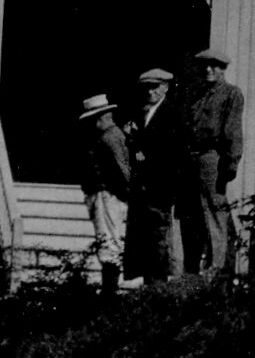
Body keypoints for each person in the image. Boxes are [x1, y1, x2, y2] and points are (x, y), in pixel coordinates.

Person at [177, 49, 245, 277]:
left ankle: (217, 271)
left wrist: (230, 164)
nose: (207, 70)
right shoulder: (196, 94)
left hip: (212, 160)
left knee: (214, 214)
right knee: (190, 215)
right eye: (204, 66)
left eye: (214, 65)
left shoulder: (230, 94)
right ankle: (191, 272)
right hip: (190, 160)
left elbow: (233, 132)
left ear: (223, 68)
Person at [123, 68, 185, 280]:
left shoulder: (172, 114)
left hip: (160, 186)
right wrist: (133, 140)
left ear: (166, 88)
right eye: (147, 87)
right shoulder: (142, 113)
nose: (151, 92)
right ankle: (149, 284)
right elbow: (137, 146)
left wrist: (140, 148)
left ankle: (158, 285)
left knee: (160, 239)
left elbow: (170, 152)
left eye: (155, 87)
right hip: (142, 188)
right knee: (144, 239)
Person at [78, 93, 135, 294]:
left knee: (108, 241)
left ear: (101, 117)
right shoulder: (115, 135)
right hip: (107, 195)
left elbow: (123, 169)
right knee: (109, 241)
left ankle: (109, 291)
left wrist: (130, 193)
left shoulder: (109, 138)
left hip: (107, 195)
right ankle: (110, 288)